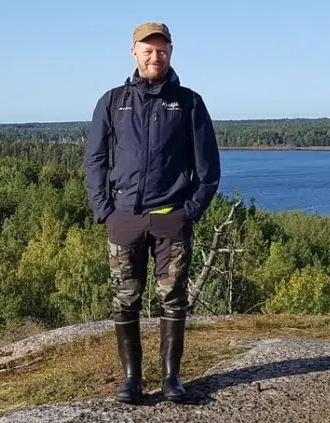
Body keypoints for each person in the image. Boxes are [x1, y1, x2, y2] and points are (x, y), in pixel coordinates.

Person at [84, 21, 221, 404]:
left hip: (171, 219)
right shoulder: (113, 101)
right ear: (134, 53)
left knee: (173, 298)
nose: (154, 56)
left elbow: (208, 168)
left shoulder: (189, 102)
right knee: (125, 298)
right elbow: (95, 160)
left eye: (161, 50)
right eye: (147, 50)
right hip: (124, 218)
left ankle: (171, 378)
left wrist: (189, 211)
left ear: (170, 53)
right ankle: (131, 380)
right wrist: (104, 210)